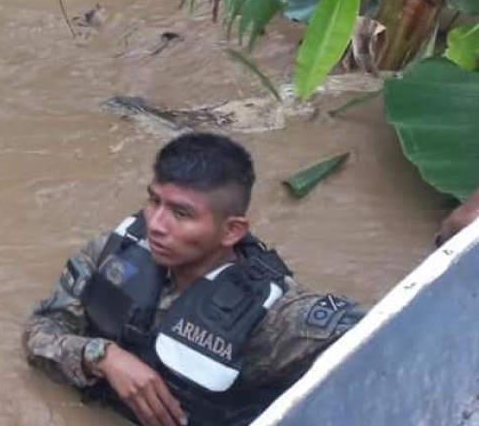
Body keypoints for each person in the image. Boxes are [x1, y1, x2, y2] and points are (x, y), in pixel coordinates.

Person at [22, 133, 365, 426]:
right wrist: (101, 356)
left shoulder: (276, 315)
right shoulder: (118, 249)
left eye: (180, 213)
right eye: (154, 200)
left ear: (231, 230)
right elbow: (40, 331)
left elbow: (389, 344)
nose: (156, 224)